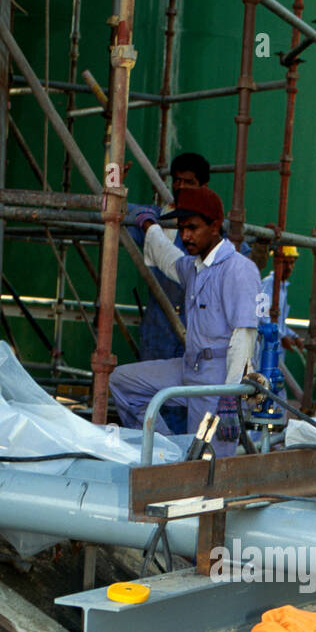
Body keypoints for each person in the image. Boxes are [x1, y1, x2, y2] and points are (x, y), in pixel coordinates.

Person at [109, 186, 261, 457]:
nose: (185, 235)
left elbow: (245, 336)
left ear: (215, 226)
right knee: (122, 381)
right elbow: (169, 259)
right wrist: (150, 227)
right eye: (182, 228)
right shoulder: (195, 267)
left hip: (219, 379)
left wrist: (230, 395)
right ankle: (168, 453)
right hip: (190, 367)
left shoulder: (238, 269)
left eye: (193, 227)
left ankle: (185, 463)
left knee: (208, 468)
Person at [129, 151, 211, 363]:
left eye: (189, 182)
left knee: (191, 391)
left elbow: (246, 260)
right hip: (158, 329)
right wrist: (115, 187)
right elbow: (118, 212)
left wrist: (262, 247)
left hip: (198, 329)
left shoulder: (214, 227)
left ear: (204, 187)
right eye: (177, 180)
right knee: (151, 391)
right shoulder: (157, 217)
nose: (181, 186)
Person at [256, 246, 301, 368]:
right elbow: (261, 316)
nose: (289, 267)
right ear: (276, 263)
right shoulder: (268, 284)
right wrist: (282, 337)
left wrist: (293, 336)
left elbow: (280, 323)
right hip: (265, 350)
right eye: (285, 263)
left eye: (292, 263)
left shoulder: (282, 287)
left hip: (275, 349)